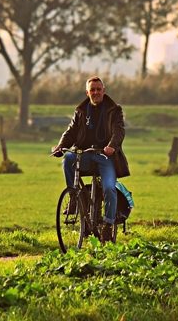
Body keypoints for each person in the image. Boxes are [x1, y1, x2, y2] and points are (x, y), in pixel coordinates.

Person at [52, 76, 130, 243]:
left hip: (105, 156)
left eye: (98, 89)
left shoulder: (114, 110)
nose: (96, 92)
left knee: (109, 188)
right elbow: (71, 131)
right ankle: (73, 197)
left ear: (104, 90)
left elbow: (119, 131)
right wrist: (60, 146)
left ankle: (108, 225)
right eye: (92, 90)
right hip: (84, 154)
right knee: (68, 158)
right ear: (87, 93)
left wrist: (112, 146)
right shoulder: (80, 110)